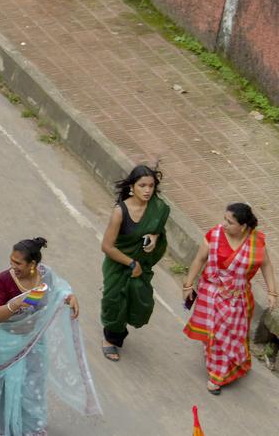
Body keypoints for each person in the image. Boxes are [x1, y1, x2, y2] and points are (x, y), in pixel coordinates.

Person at [0, 238, 100, 436]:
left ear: (32, 264)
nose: (12, 266)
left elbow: (58, 291)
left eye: (18, 263)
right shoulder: (3, 280)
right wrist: (15, 304)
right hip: (4, 342)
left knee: (30, 388)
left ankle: (29, 427)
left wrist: (70, 297)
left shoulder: (45, 276)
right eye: (11, 260)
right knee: (1, 384)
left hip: (32, 342)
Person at [183, 203, 277, 394]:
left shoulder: (255, 242)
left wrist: (272, 292)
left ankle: (224, 364)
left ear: (243, 226)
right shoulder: (215, 235)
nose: (224, 224)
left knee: (231, 336)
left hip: (238, 299)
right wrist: (188, 284)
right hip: (211, 294)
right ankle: (217, 375)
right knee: (215, 334)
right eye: (224, 219)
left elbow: (266, 265)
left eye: (230, 222)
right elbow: (200, 259)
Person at [99, 164, 170, 362]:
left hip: (142, 265)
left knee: (141, 302)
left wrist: (155, 237)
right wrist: (132, 264)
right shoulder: (120, 212)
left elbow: (158, 228)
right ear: (132, 187)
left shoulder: (158, 208)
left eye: (151, 186)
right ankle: (110, 339)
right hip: (119, 264)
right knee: (114, 302)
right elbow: (107, 247)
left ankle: (119, 326)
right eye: (142, 186)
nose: (147, 190)